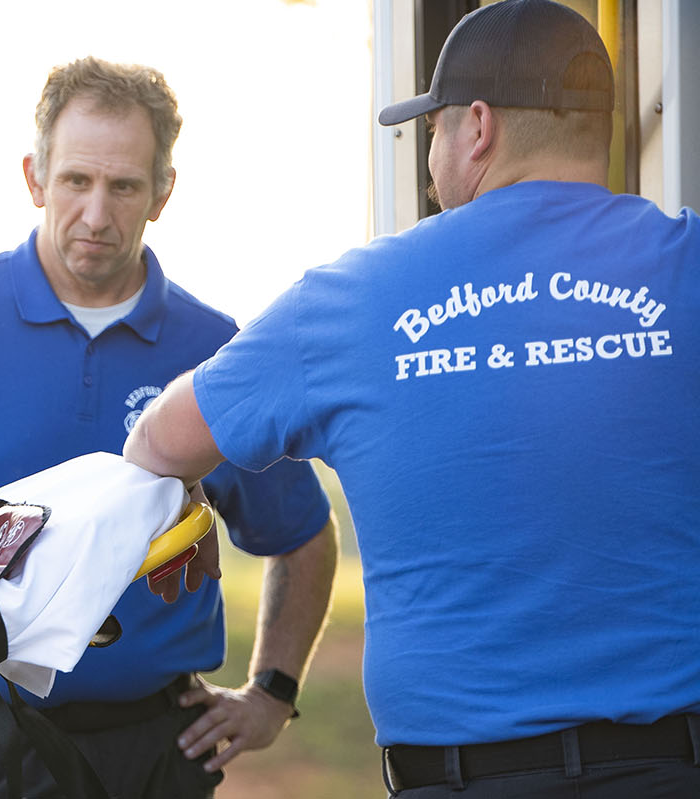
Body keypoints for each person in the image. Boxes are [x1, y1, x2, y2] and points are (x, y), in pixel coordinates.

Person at [124, 2, 700, 796]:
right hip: (672, 768)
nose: (430, 152)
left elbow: (158, 443)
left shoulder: (352, 300)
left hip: (460, 778)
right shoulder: (688, 264)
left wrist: (182, 500)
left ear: (477, 127)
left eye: (430, 131)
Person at [0, 57, 338, 798]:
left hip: (156, 748)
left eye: (124, 186)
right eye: (76, 181)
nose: (97, 214)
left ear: (163, 192)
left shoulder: (216, 349)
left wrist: (272, 690)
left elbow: (303, 536)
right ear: (34, 177)